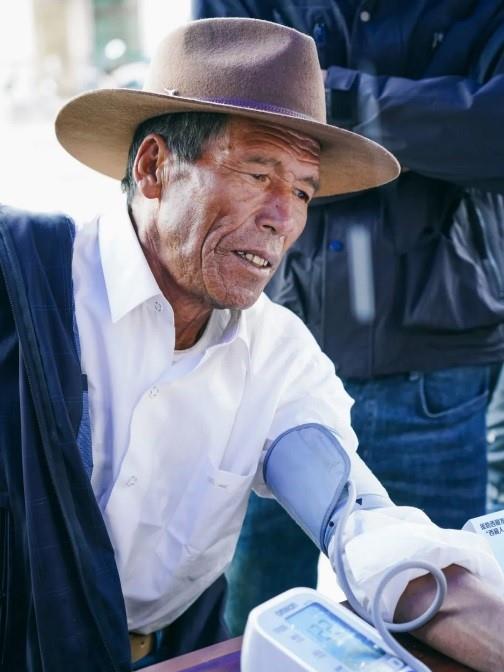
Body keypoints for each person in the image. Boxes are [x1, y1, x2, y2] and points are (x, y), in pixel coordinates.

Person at [1, 17, 504, 672]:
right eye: (257, 174)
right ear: (153, 167)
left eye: (302, 191)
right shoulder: (25, 285)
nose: (282, 220)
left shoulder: (276, 355)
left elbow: (360, 527)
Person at [193, 1, 504, 634]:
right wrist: (431, 110)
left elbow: (494, 136)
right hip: (263, 356)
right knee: (248, 629)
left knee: (445, 616)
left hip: (435, 372)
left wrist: (326, 97)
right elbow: (214, 107)